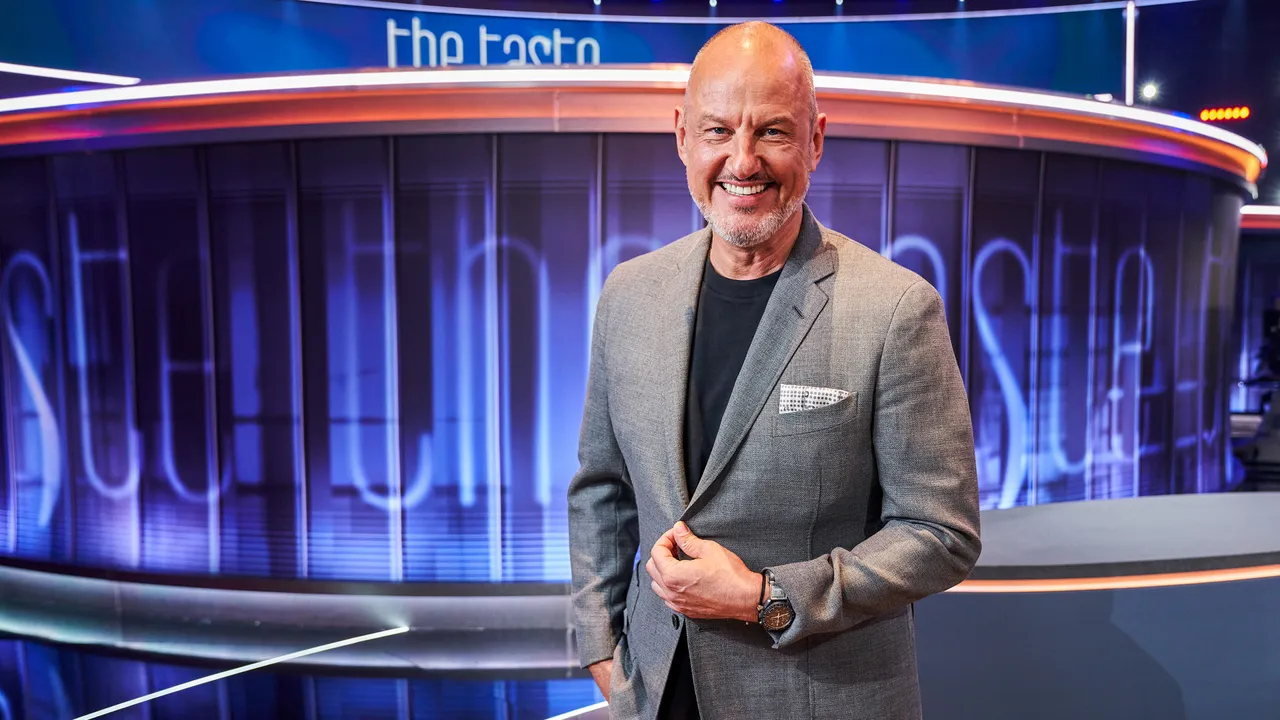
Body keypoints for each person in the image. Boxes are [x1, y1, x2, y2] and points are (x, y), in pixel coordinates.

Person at [566, 21, 981, 720]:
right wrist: (602, 650)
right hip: (655, 694)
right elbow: (600, 492)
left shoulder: (895, 309)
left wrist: (764, 598)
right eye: (718, 130)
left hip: (822, 700)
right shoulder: (629, 295)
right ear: (682, 137)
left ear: (815, 140)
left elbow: (941, 534)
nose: (743, 160)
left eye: (772, 132)